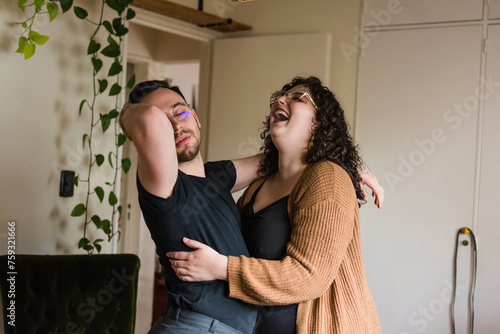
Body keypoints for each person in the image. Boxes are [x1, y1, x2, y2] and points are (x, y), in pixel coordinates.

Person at [167, 76, 382, 334]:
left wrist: (219, 267)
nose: (280, 100)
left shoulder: (328, 177)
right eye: (280, 97)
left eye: (297, 97)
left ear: (320, 122)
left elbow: (308, 277)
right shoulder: (260, 183)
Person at [119, 80, 263, 334]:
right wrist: (127, 112)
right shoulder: (164, 185)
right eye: (165, 122)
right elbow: (150, 117)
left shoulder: (215, 176)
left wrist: (352, 165)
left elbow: (276, 159)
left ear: (196, 118)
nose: (176, 126)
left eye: (181, 113)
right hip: (195, 327)